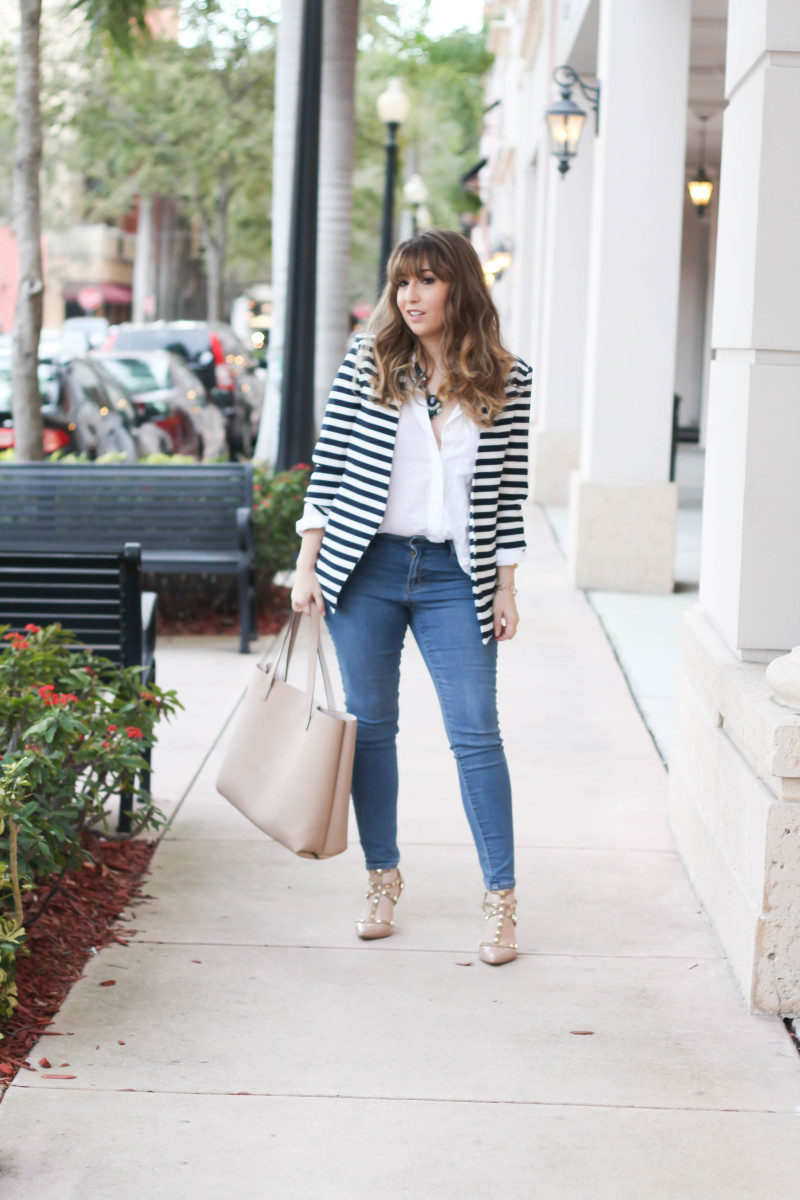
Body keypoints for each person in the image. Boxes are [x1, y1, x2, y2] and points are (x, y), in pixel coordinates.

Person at [291, 229, 532, 966]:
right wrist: (306, 565)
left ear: (459, 287)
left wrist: (505, 584)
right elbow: (328, 468)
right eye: (403, 282)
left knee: (476, 731)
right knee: (372, 729)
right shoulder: (369, 364)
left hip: (456, 576)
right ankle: (382, 878)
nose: (412, 295)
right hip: (369, 569)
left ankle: (500, 902)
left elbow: (510, 491)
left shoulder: (506, 378)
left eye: (428, 281)